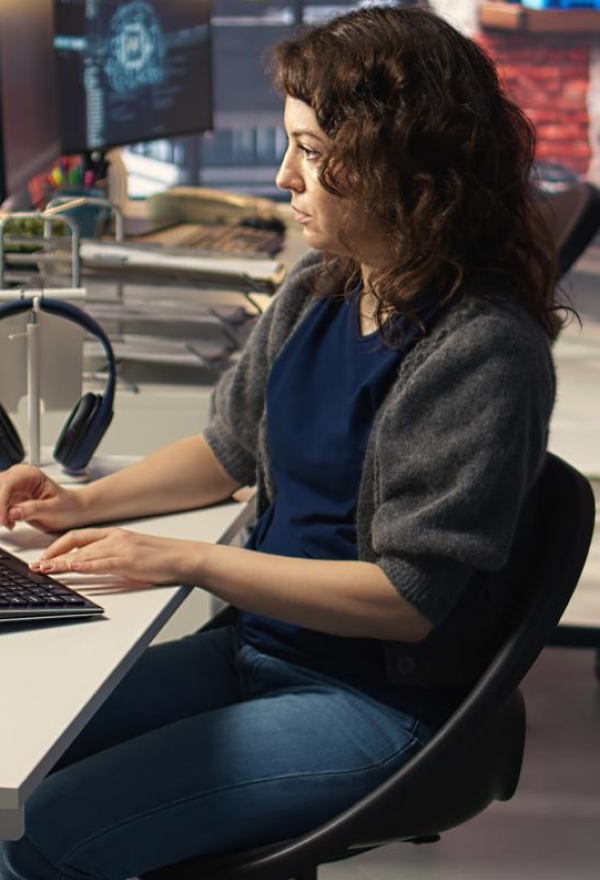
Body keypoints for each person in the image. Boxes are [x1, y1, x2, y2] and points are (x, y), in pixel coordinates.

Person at [0, 7, 560, 880]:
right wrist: (77, 503)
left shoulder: (479, 349)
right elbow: (227, 448)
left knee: (41, 839)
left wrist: (188, 563)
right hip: (258, 651)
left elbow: (407, 599)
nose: (282, 174)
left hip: (372, 698)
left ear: (396, 161)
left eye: (309, 148)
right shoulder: (321, 288)